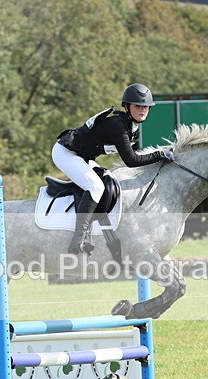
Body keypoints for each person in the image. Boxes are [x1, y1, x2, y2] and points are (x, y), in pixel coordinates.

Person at [52, 83, 174, 254]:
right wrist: (159, 155)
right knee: (95, 186)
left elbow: (138, 155)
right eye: (138, 106)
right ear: (127, 106)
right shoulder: (118, 125)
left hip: (83, 156)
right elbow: (131, 160)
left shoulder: (133, 128)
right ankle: (78, 238)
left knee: (109, 179)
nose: (143, 110)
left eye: (146, 107)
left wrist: (159, 156)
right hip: (65, 153)